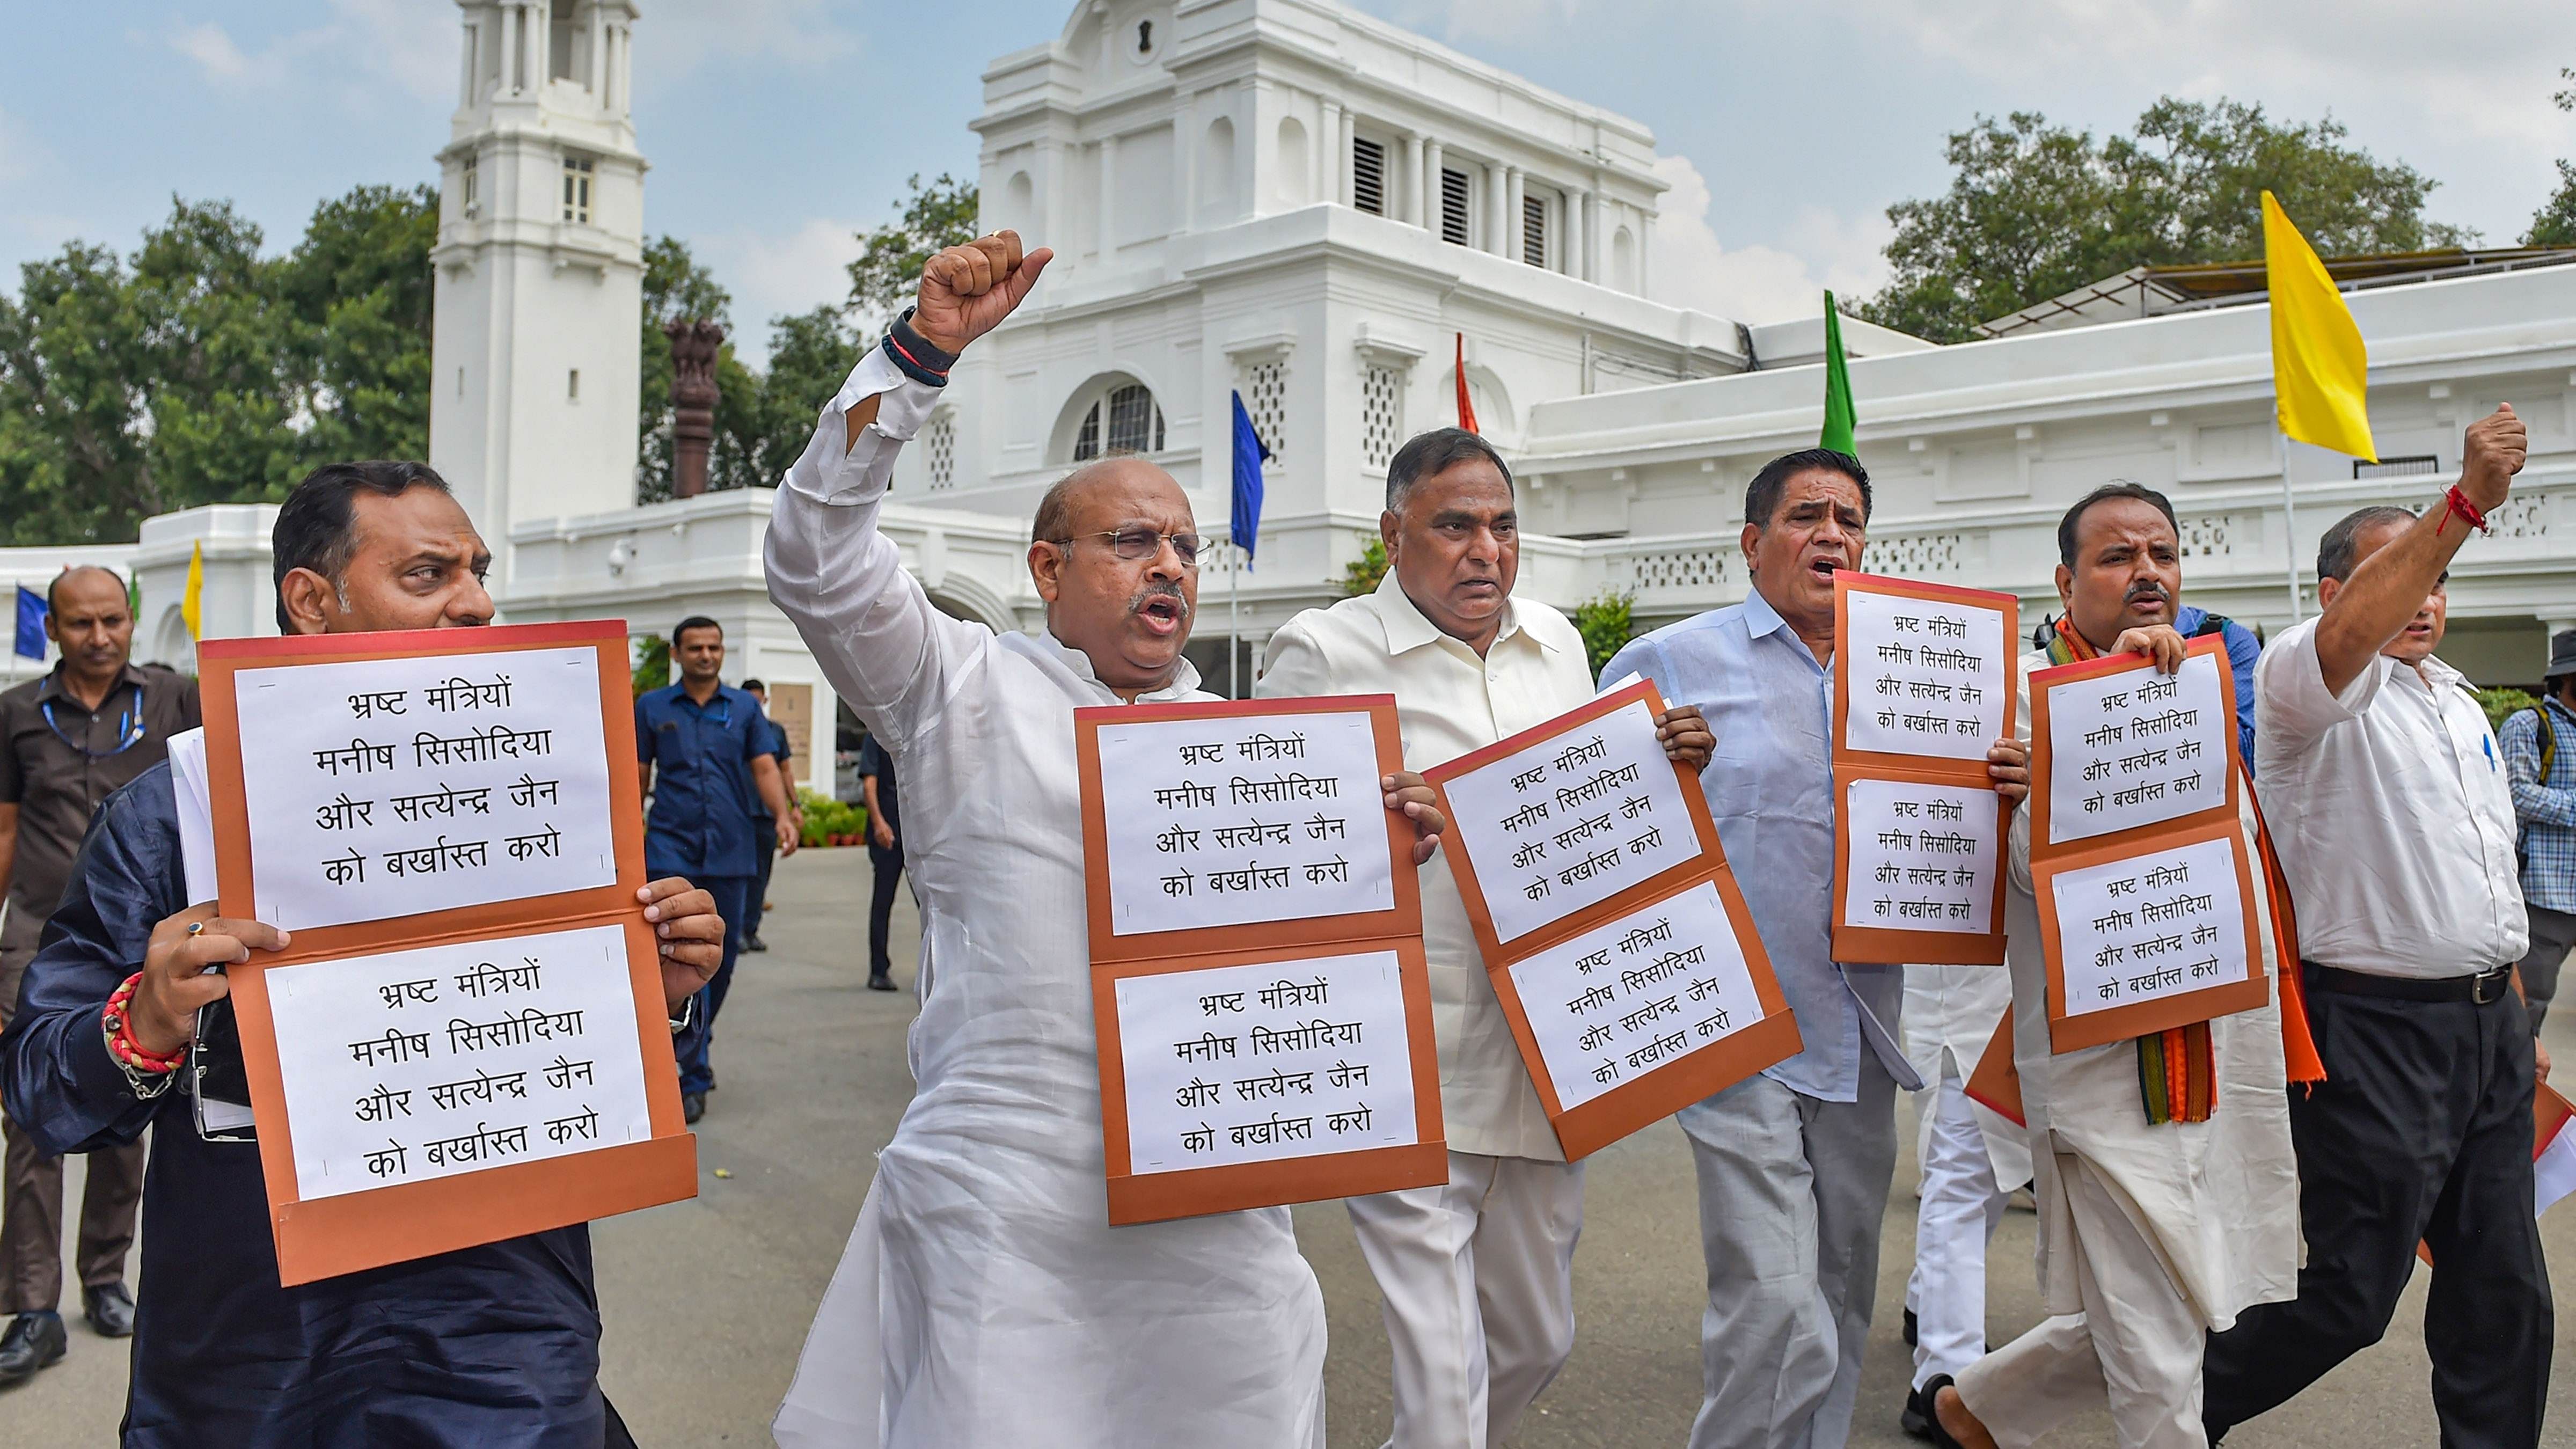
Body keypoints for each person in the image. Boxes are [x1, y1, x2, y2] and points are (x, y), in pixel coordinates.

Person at [764, 230, 1447, 1448]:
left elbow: (1289, 974)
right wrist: (915, 357)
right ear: (1047, 567)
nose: (1169, 565)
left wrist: (1372, 865)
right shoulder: (954, 683)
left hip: (1210, 1203)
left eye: (1183, 544)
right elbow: (813, 556)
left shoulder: (1245, 746)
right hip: (1002, 1197)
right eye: (1133, 541)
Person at [0, 460, 730, 1446]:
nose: (475, 604)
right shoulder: (175, 820)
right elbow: (46, 1095)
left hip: (505, 1348)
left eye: (478, 573)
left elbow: (600, 1085)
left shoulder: (544, 800)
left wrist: (660, 995)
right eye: (429, 577)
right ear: (313, 599)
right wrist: (147, 1019)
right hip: (258, 1362)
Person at [1256, 427, 1712, 1448]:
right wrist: (1377, 832)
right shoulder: (1323, 654)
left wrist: (1668, 767)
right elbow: (1274, 852)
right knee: (1442, 1369)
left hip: (1554, 1045)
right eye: (1454, 526)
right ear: (1394, 535)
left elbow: (1593, 816)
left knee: (1536, 1340)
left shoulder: (1556, 642)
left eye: (1503, 527)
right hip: (1406, 1055)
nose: (1485, 551)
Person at [1599, 449, 2028, 1449]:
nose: (1830, 533)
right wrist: (1656, 771)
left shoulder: (1929, 672)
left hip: (1864, 1034)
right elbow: (1589, 828)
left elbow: (1994, 821)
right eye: (1804, 516)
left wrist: (2014, 776)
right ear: (1754, 545)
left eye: (1848, 518)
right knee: (1774, 1301)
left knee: (1840, 1291)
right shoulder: (1669, 664)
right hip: (1732, 1028)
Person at [2202, 406, 2552, 1449]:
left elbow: (2484, 873)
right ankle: (2174, 1408)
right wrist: (2461, 507)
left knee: (2504, 1294)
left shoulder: (2455, 702)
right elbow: (2357, 632)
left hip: (2487, 1034)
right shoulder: (2308, 682)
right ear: (2331, 594)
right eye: (2404, 573)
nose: (2426, 598)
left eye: (2440, 578)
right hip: (2374, 1034)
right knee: (2347, 1293)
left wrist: (2513, 1009)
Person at [1928, 481, 2302, 1449]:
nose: (2147, 574)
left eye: (2163, 555)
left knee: (2173, 1298)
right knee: (2158, 1348)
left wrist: (2153, 696)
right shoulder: (2007, 691)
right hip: (2098, 1061)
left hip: (2220, 1048)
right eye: (2117, 557)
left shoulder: (2205, 684)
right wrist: (2095, 714)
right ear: (2065, 580)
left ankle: (1983, 1407)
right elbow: (2013, 879)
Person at [0, 567, 196, 1386]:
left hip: (138, 944)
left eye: (113, 620)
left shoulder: (176, 700)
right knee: (33, 1119)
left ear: (131, 619)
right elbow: (6, 828)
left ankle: (106, 1278)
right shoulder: (14, 714)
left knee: (129, 1111)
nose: (99, 638)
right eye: (81, 624)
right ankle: (34, 1305)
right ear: (54, 629)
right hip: (36, 939)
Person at [637, 618, 796, 1123]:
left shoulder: (745, 708)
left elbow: (765, 767)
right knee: (674, 959)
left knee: (720, 963)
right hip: (669, 848)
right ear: (678, 654)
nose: (706, 655)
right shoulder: (653, 708)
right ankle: (694, 1070)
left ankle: (692, 1040)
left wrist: (782, 814)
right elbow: (638, 775)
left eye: (714, 647)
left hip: (731, 847)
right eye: (696, 648)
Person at [1894, 957, 2027, 1439]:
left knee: (1994, 1161)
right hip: (1972, 970)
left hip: (2032, 963)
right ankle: (1948, 1378)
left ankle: (1926, 1305)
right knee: (1964, 1166)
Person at [2500, 627, 2576, 1033]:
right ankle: (2518, 1089)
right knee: (2529, 1006)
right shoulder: (2529, 725)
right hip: (2546, 895)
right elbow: (2515, 795)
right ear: (2566, 678)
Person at [738, 678, 800, 954]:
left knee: (761, 874)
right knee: (738, 873)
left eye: (758, 700)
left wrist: (792, 806)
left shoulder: (774, 732)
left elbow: (784, 769)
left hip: (765, 814)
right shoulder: (732, 729)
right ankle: (735, 930)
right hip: (739, 812)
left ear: (764, 701)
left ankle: (751, 929)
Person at [855, 731, 903, 992]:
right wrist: (879, 822)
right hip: (888, 834)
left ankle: (937, 969)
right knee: (883, 902)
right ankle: (878, 970)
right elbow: (869, 783)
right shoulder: (876, 737)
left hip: (916, 833)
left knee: (930, 907)